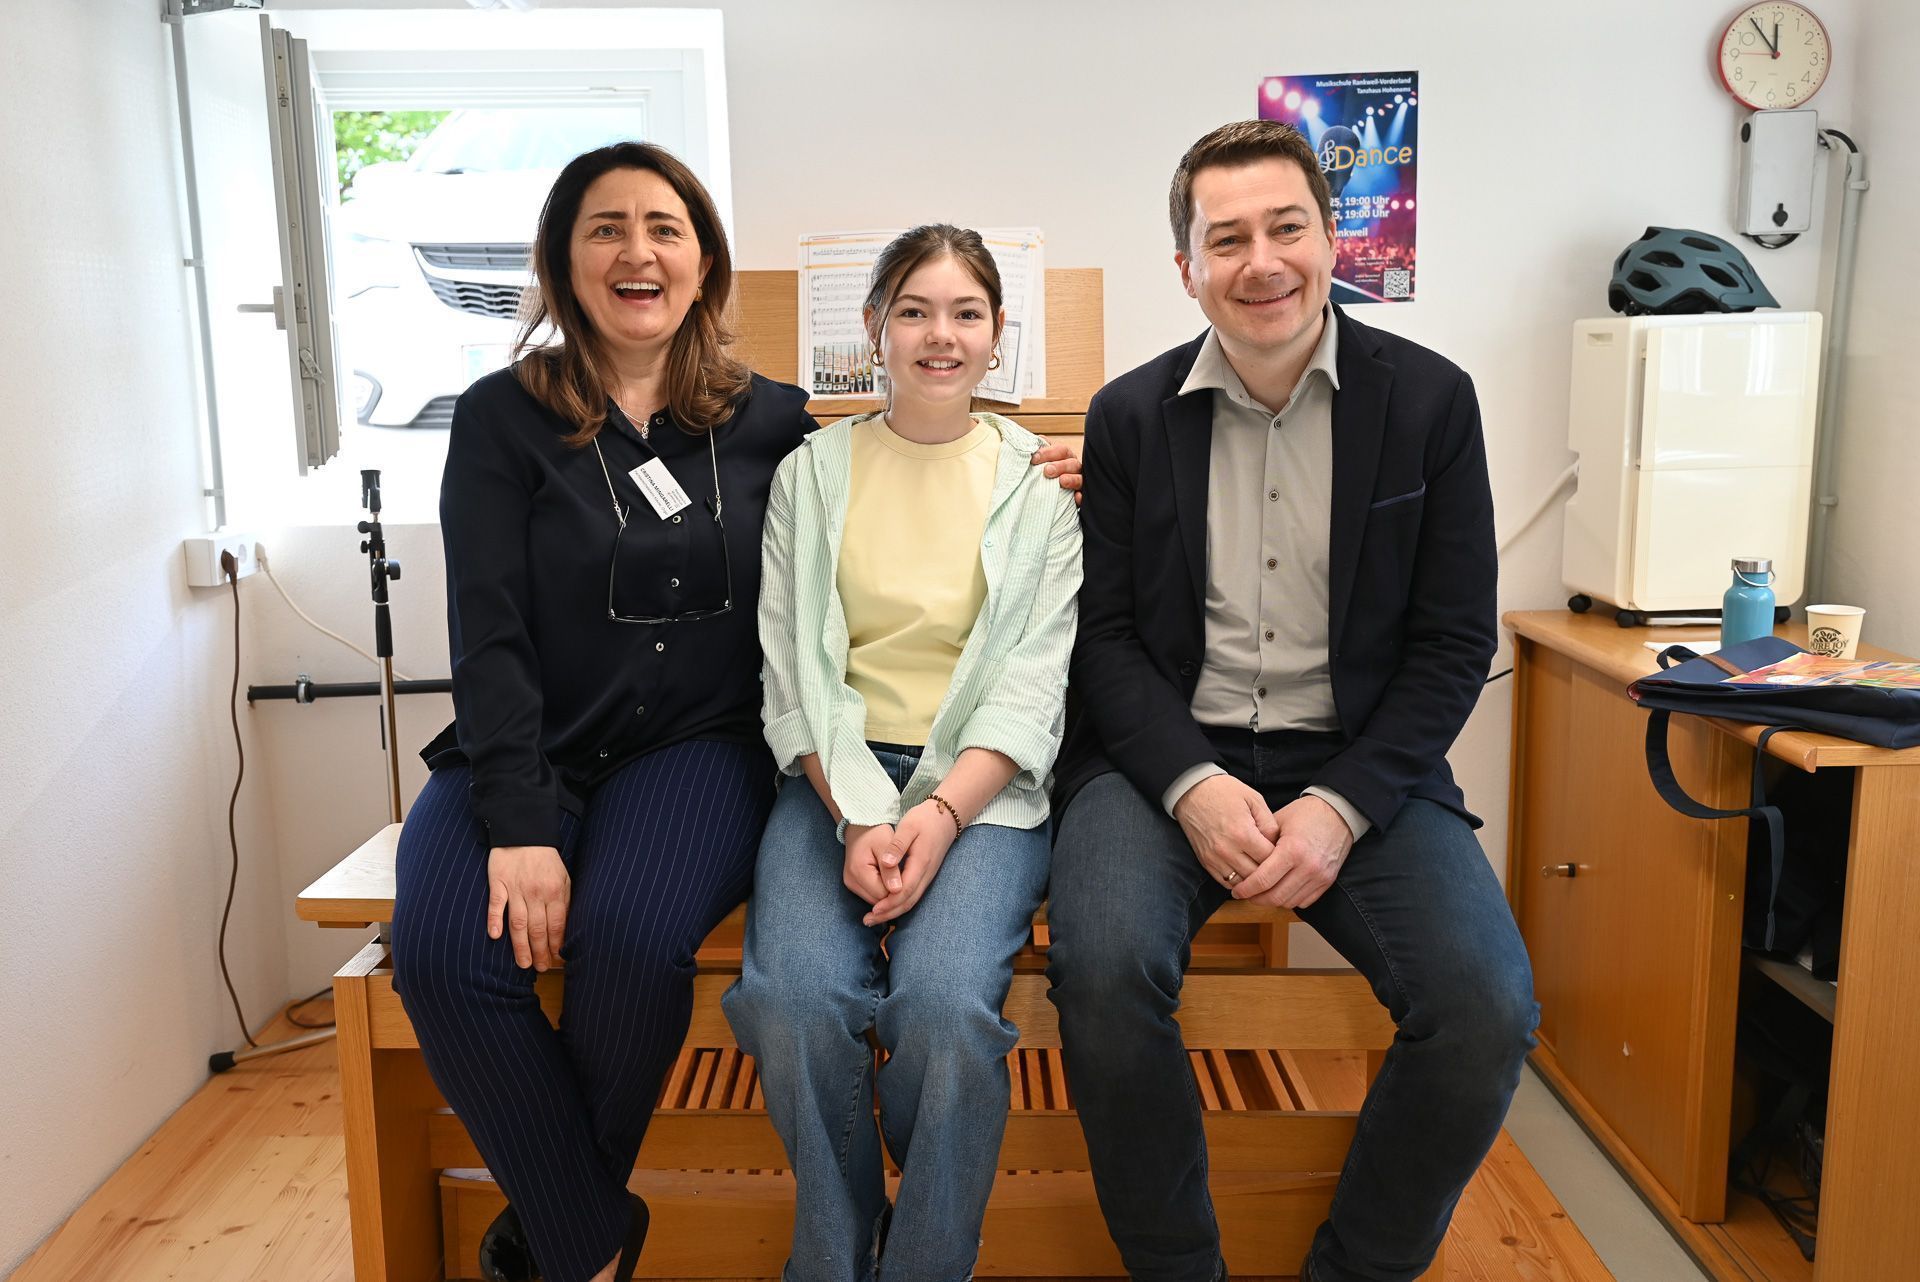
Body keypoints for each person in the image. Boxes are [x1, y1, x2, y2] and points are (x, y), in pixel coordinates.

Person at [389, 147, 1079, 1282]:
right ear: (565, 257)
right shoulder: (504, 420)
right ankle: (585, 1237)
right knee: (443, 955)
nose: (636, 251)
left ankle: (598, 1229)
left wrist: (1072, 467)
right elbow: (491, 631)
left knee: (635, 939)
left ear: (702, 259)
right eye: (605, 228)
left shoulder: (768, 422)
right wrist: (519, 823)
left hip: (691, 752)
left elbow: (952, 497)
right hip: (537, 748)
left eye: (663, 227)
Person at [1043, 120, 1538, 1282]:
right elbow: (1104, 641)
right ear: (1188, 268)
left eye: (1286, 228)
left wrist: (1341, 806)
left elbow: (1453, 641)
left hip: (1363, 764)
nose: (1260, 260)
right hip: (1162, 755)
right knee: (1103, 972)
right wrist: (1193, 783)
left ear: (1332, 239)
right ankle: (1177, 1267)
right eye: (1227, 238)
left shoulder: (1429, 402)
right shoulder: (1127, 417)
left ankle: (1357, 1267)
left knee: (1482, 1007)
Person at [722, 224, 1083, 1282]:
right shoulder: (812, 473)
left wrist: (937, 814)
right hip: (835, 777)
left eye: (966, 312)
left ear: (996, 332)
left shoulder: (1036, 483)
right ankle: (836, 1256)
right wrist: (860, 815)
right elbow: (793, 666)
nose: (940, 335)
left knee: (943, 1009)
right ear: (873, 327)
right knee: (791, 1000)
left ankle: (927, 1261)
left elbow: (1033, 678)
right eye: (914, 311)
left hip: (983, 784)